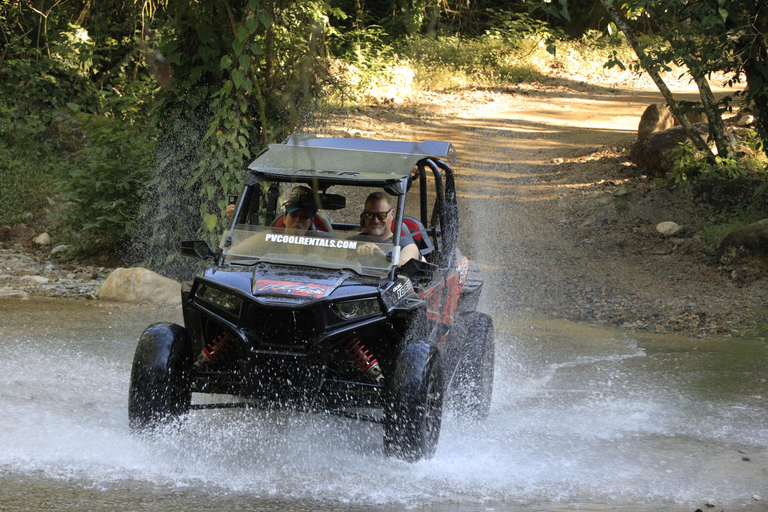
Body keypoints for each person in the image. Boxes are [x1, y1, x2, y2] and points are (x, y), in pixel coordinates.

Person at [355, 191, 420, 266]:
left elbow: (406, 268)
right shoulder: (353, 242)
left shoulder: (405, 244)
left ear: (392, 214)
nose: (375, 220)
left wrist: (379, 254)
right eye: (369, 215)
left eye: (382, 215)